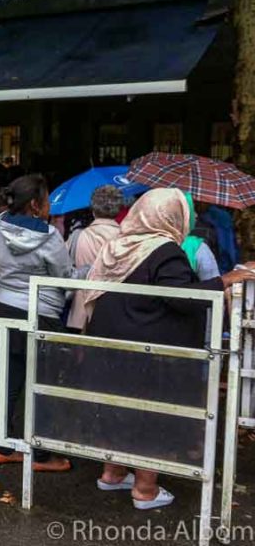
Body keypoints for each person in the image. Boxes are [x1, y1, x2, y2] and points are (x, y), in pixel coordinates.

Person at [84, 188, 255, 509]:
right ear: (172, 216)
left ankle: (113, 473)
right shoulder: (164, 250)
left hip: (110, 344)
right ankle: (145, 490)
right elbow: (182, 296)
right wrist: (226, 280)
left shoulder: (119, 244)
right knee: (151, 414)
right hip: (148, 352)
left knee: (118, 410)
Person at [0, 173, 74, 472]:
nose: (50, 205)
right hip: (42, 314)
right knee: (41, 385)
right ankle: (41, 454)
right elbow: (64, 278)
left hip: (3, 308)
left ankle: (1, 446)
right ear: (35, 204)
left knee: (6, 382)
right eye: (47, 200)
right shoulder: (50, 237)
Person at [66, 185, 123, 331]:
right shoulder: (126, 239)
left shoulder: (77, 236)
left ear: (93, 210)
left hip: (80, 314)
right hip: (115, 312)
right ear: (119, 209)